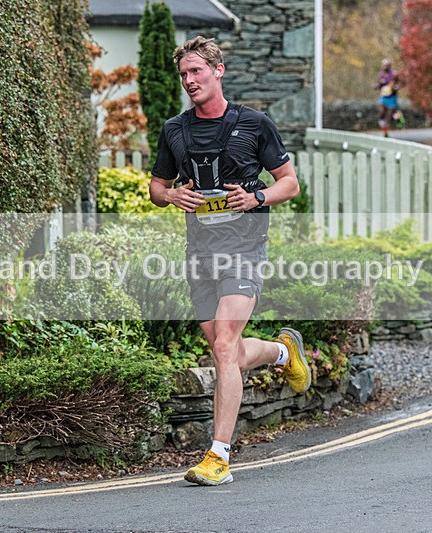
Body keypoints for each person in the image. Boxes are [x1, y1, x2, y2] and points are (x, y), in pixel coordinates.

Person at [149, 36, 312, 486]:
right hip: (199, 254)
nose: (189, 80)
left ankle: (218, 456)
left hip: (244, 249)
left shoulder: (254, 124)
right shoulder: (175, 130)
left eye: (196, 71)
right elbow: (157, 188)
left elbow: (290, 184)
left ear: (218, 71)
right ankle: (283, 351)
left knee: (224, 345)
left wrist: (256, 195)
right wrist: (171, 194)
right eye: (184, 74)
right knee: (231, 354)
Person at [374, 58, 401, 137]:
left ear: (390, 66)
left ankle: (396, 120)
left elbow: (399, 84)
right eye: (384, 65)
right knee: (381, 112)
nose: (385, 67)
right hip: (384, 97)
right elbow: (379, 85)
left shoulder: (394, 74)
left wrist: (396, 87)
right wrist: (376, 86)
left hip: (392, 97)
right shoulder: (381, 75)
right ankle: (384, 130)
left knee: (389, 115)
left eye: (387, 65)